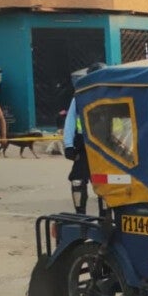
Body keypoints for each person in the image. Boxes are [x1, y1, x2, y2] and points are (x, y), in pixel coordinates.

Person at [63, 69, 93, 213]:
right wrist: (68, 145)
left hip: (109, 146)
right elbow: (70, 121)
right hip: (84, 145)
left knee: (107, 181)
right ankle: (80, 215)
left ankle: (105, 215)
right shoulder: (80, 97)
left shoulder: (112, 95)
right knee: (77, 180)